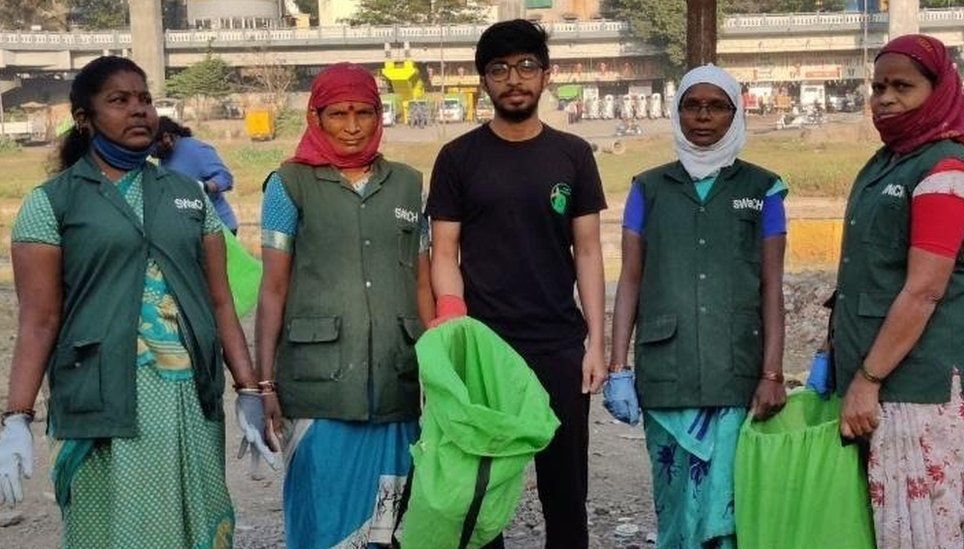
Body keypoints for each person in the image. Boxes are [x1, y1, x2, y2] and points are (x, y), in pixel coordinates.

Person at [0, 55, 273, 547]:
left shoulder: (188, 195)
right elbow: (39, 320)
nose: (139, 111)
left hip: (190, 398)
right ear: (84, 118)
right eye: (119, 101)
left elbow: (220, 303)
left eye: (145, 99)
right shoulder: (52, 203)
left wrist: (249, 391)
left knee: (198, 524)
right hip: (103, 402)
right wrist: (17, 416)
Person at [426, 19, 607, 549]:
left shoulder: (573, 154)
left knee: (565, 486)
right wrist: (457, 326)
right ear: (484, 80)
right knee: (482, 484)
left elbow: (590, 251)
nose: (514, 79)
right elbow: (443, 252)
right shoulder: (458, 158)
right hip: (485, 344)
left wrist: (595, 340)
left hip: (558, 342)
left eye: (527, 66)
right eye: (499, 69)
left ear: (547, 76)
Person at [254, 62, 434, 549]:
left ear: (380, 117)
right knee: (323, 518)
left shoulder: (407, 184)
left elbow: (422, 280)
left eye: (364, 113)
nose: (352, 126)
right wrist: (262, 383)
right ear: (315, 117)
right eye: (338, 114)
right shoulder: (287, 186)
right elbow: (272, 288)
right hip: (318, 389)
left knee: (392, 522)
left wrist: (441, 366)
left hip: (397, 384)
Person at [609, 64, 788, 548]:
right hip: (666, 371)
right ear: (677, 112)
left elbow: (772, 286)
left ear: (735, 114)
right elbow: (629, 278)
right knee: (674, 507)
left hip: (738, 371)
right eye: (692, 105)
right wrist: (618, 368)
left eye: (716, 107)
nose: (703, 117)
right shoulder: (647, 188)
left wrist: (773, 373)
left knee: (728, 509)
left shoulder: (763, 189)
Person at [831, 35, 964, 548]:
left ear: (938, 92)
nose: (885, 98)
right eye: (877, 87)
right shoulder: (887, 161)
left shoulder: (947, 169)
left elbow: (924, 290)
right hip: (881, 379)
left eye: (902, 86)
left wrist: (868, 379)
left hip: (917, 386)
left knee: (920, 532)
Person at [153, 116, 239, 234]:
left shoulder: (196, 150)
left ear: (167, 137)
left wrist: (202, 187)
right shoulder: (165, 155)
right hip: (192, 229)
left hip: (219, 228)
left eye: (154, 147)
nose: (151, 153)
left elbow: (226, 179)